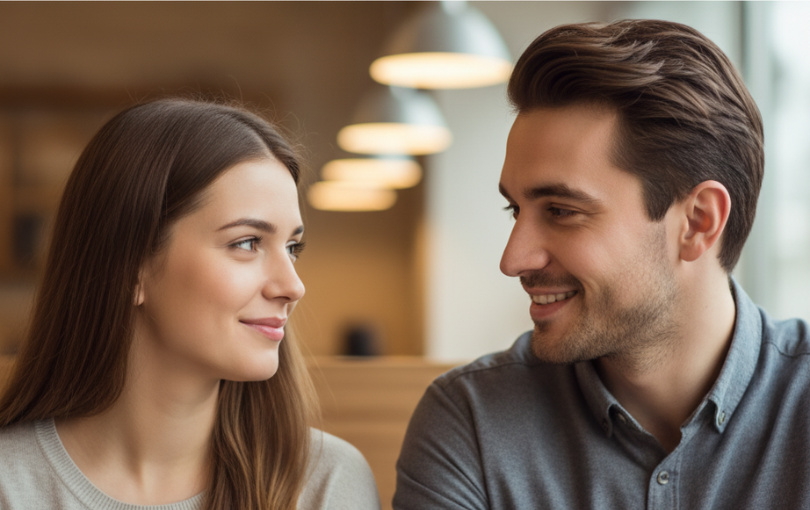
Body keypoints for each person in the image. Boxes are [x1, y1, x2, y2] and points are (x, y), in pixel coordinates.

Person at [394, 19, 810, 509]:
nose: (512, 260)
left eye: (562, 211)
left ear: (698, 222)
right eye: (515, 209)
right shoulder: (472, 423)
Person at [0, 98, 381, 510]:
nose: (293, 285)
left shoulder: (326, 483)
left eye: (293, 247)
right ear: (132, 266)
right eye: (247, 243)